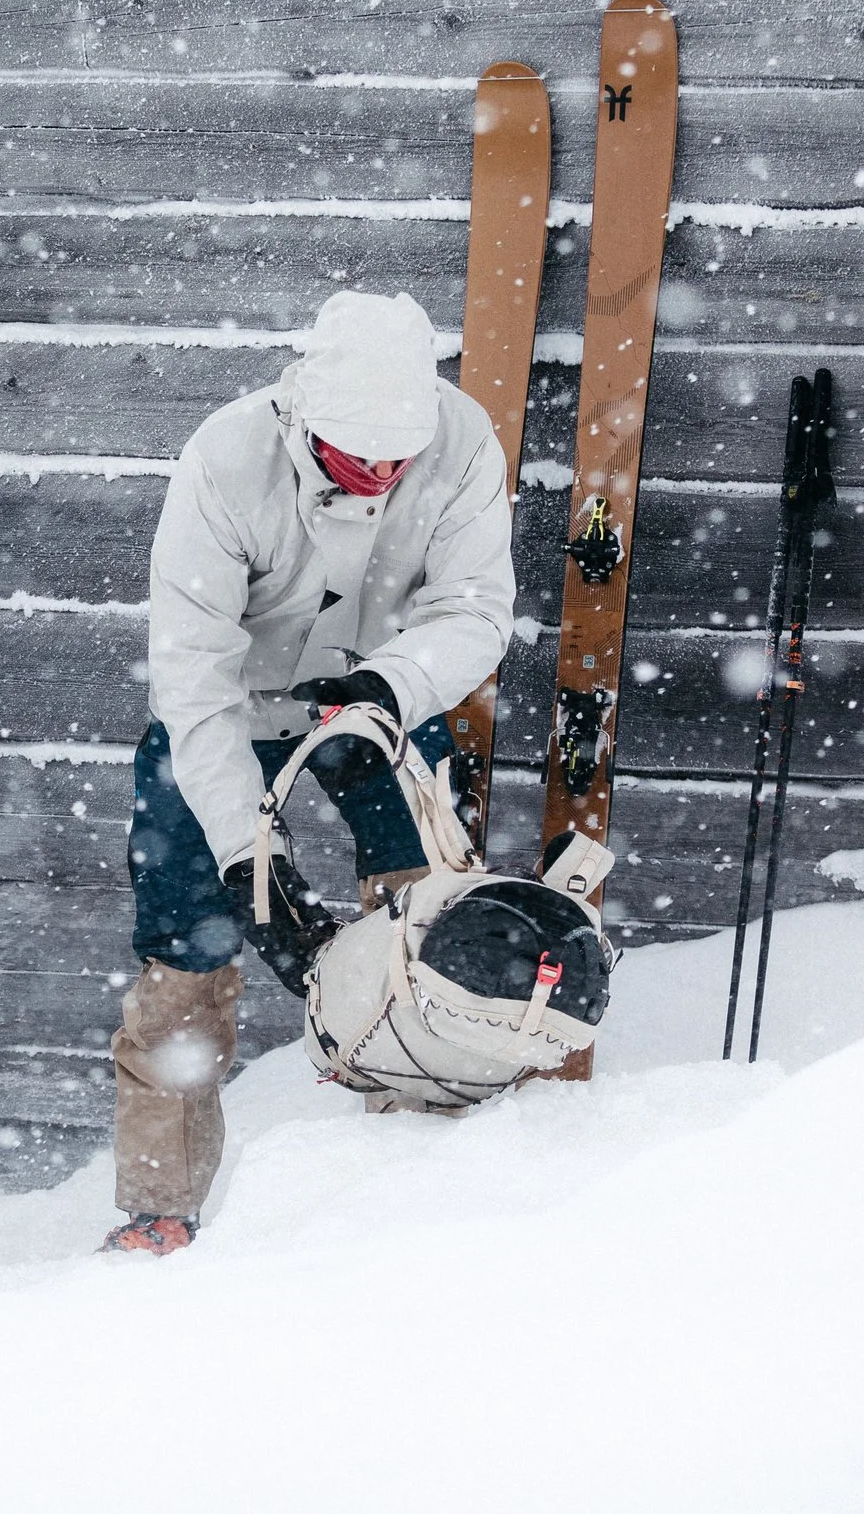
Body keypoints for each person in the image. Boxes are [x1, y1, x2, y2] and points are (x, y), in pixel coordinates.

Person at [103, 289, 520, 1256]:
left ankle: (423, 1155)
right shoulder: (225, 458)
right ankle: (159, 1208)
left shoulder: (461, 444)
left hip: (383, 698)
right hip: (230, 711)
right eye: (356, 453)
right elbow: (194, 680)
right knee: (185, 949)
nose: (380, 470)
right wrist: (250, 857)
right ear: (306, 414)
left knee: (429, 915)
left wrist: (390, 683)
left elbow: (475, 610)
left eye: (395, 455)